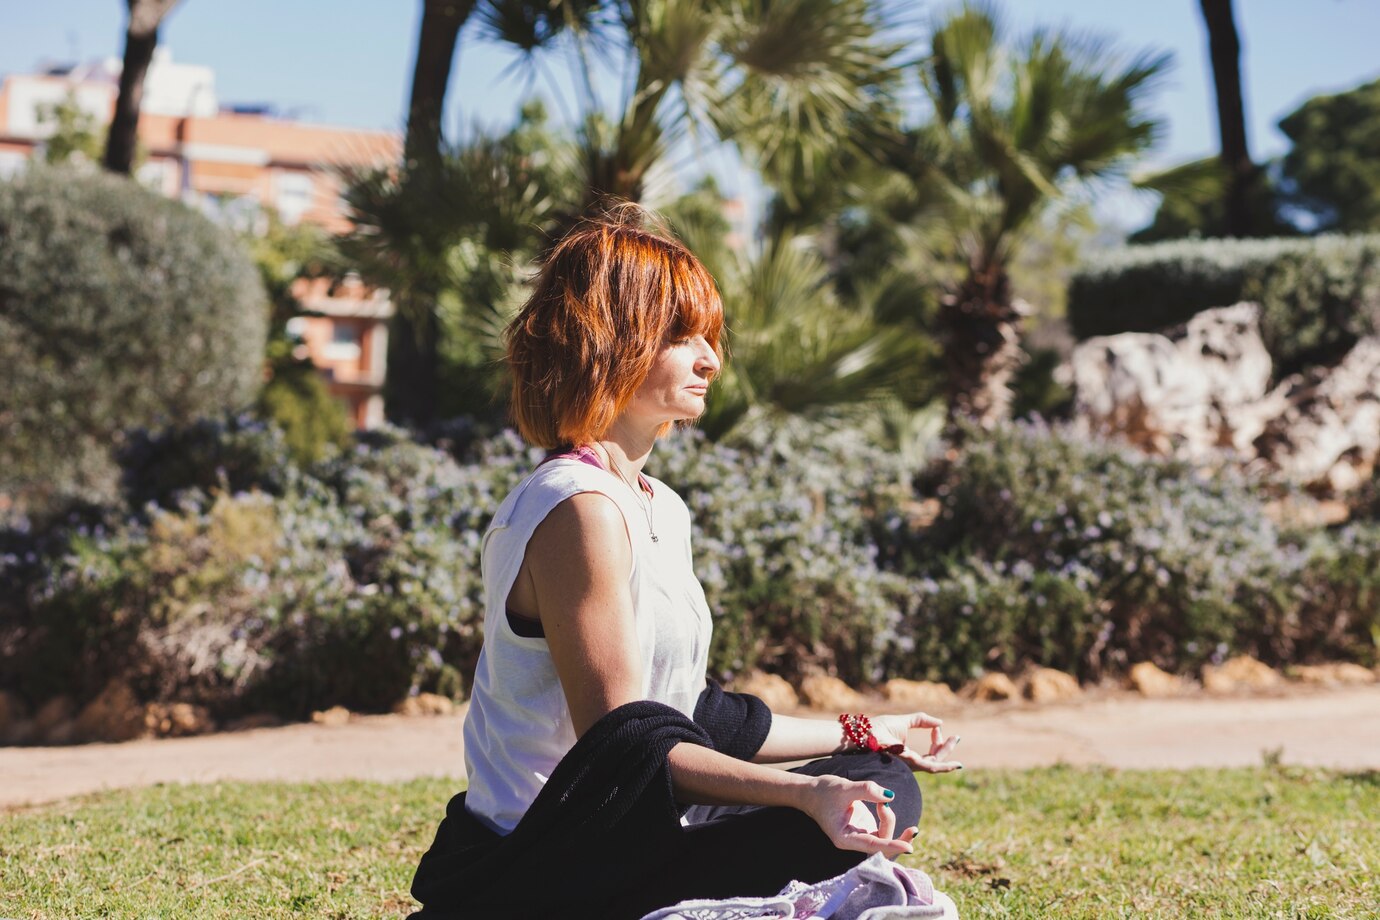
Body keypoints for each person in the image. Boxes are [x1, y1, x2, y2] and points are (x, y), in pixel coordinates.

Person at [408, 210, 961, 920]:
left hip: (635, 833)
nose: (711, 360)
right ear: (609, 342)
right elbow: (626, 749)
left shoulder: (655, 504)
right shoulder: (577, 510)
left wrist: (869, 731)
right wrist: (803, 794)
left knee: (880, 784)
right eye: (681, 336)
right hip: (548, 865)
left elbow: (693, 713)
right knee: (831, 820)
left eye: (709, 337)